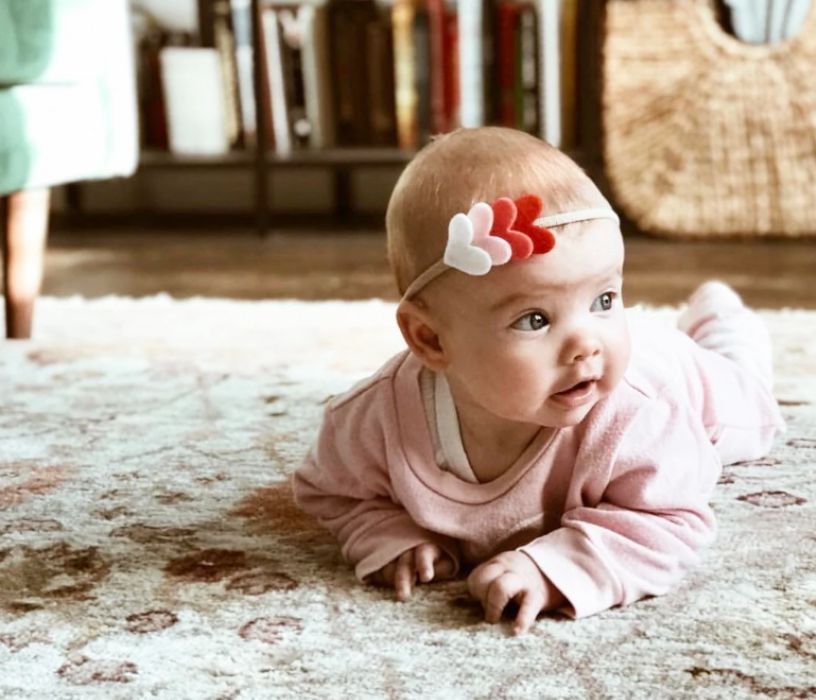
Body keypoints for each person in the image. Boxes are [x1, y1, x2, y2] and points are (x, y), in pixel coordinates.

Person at [292, 127, 784, 634]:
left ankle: (722, 320)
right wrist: (388, 531)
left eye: (605, 299)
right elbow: (332, 492)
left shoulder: (641, 412)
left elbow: (670, 519)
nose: (586, 343)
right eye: (534, 319)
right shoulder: (377, 420)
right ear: (431, 339)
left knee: (750, 394)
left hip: (676, 370)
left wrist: (556, 566)